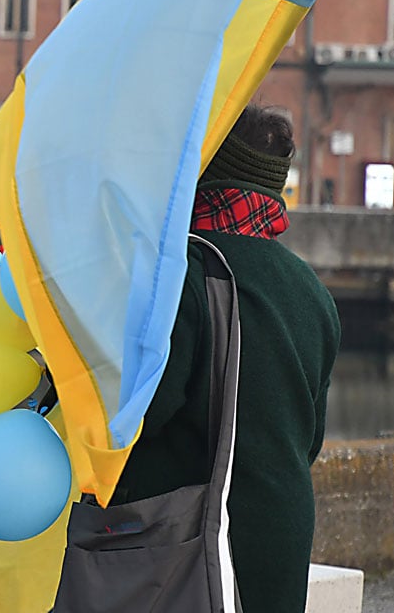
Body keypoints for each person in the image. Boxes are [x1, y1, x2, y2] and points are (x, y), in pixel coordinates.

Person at [108, 103, 341, 613]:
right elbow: (311, 435)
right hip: (280, 528)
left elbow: (145, 414)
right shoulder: (312, 290)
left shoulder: (188, 273)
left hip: (187, 534)